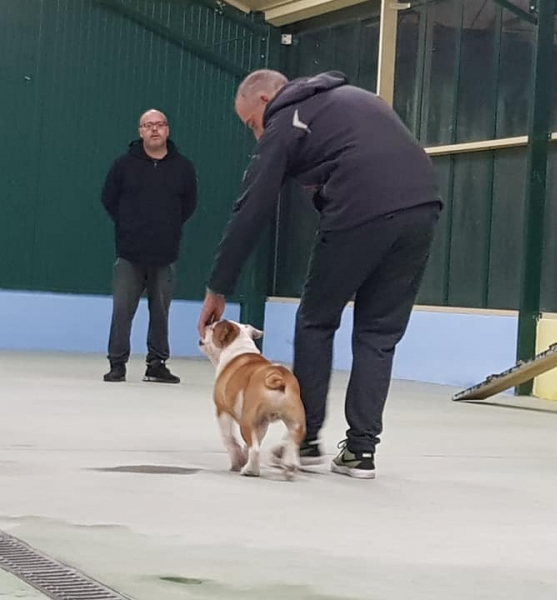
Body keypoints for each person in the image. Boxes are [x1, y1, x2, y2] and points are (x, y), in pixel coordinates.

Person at [197, 69, 442, 479]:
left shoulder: (284, 119)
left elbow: (252, 207)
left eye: (251, 125)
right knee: (379, 334)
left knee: (316, 320)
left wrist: (218, 286)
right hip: (423, 208)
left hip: (361, 209)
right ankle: (361, 452)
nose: (257, 135)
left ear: (263, 101)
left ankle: (304, 440)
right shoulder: (355, 98)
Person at [101, 109, 198, 384]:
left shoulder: (183, 167)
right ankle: (117, 364)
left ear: (167, 130)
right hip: (129, 253)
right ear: (140, 131)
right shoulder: (123, 166)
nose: (154, 130)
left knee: (161, 311)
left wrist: (167, 228)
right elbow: (109, 199)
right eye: (148, 125)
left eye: (159, 125)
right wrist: (129, 226)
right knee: (122, 310)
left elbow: (188, 205)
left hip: (165, 253)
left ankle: (157, 364)